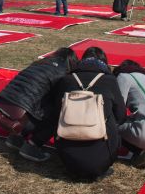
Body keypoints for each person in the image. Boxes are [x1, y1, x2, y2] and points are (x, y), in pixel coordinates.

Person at [0, 48, 79, 163]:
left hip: (2, 103)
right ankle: (32, 146)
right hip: (20, 110)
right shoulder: (62, 73)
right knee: (59, 113)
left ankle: (15, 138)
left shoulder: (39, 63)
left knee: (38, 103)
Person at [53, 47, 125, 180]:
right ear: (104, 63)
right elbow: (121, 115)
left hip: (67, 158)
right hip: (102, 159)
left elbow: (56, 111)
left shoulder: (66, 79)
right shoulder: (110, 80)